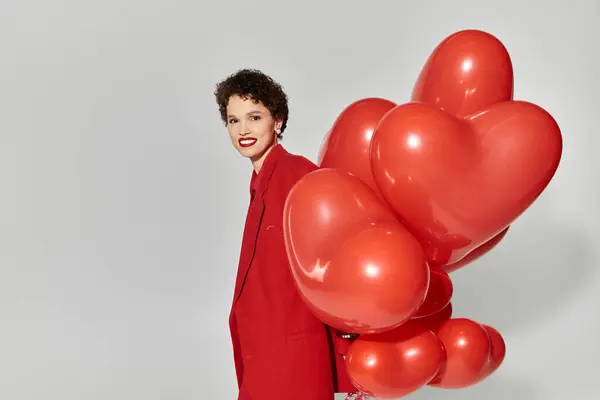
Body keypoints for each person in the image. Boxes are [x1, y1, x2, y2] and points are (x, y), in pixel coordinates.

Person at [214, 69, 355, 399]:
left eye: (254, 116)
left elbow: (336, 259)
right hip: (263, 354)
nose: (243, 130)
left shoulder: (298, 174)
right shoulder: (259, 185)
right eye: (234, 121)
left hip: (293, 357)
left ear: (277, 121)